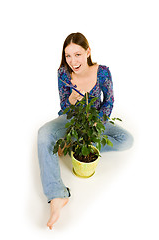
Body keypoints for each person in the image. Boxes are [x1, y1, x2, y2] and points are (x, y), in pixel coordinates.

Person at [37, 32, 133, 230]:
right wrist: (71, 100)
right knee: (44, 133)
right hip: (70, 118)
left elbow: (109, 101)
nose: (73, 61)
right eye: (68, 55)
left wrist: (96, 124)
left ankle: (77, 144)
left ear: (88, 52)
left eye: (78, 54)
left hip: (95, 120)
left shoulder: (103, 72)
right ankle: (56, 195)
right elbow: (64, 105)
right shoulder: (63, 73)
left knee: (126, 140)